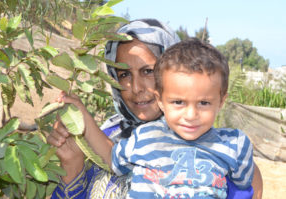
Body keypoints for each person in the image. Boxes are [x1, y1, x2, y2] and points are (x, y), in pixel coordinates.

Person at [48, 19, 263, 198]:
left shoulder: (222, 153)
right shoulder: (103, 139)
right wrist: (72, 166)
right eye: (124, 74)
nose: (136, 88)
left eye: (148, 71)